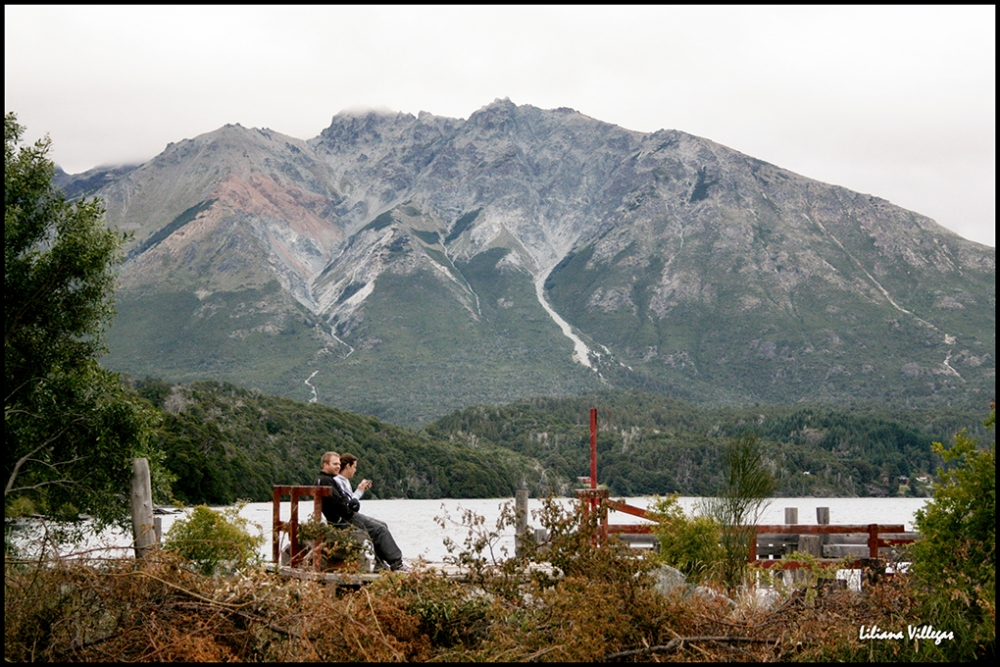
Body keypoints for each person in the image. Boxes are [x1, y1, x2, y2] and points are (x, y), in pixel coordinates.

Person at [336, 453, 407, 571]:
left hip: (350, 514)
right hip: (346, 518)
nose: (355, 470)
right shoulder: (338, 482)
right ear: (348, 466)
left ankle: (380, 563)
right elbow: (348, 505)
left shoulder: (345, 481)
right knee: (380, 530)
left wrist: (359, 491)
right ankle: (397, 563)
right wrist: (358, 492)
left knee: (382, 525)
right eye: (354, 467)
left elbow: (350, 501)